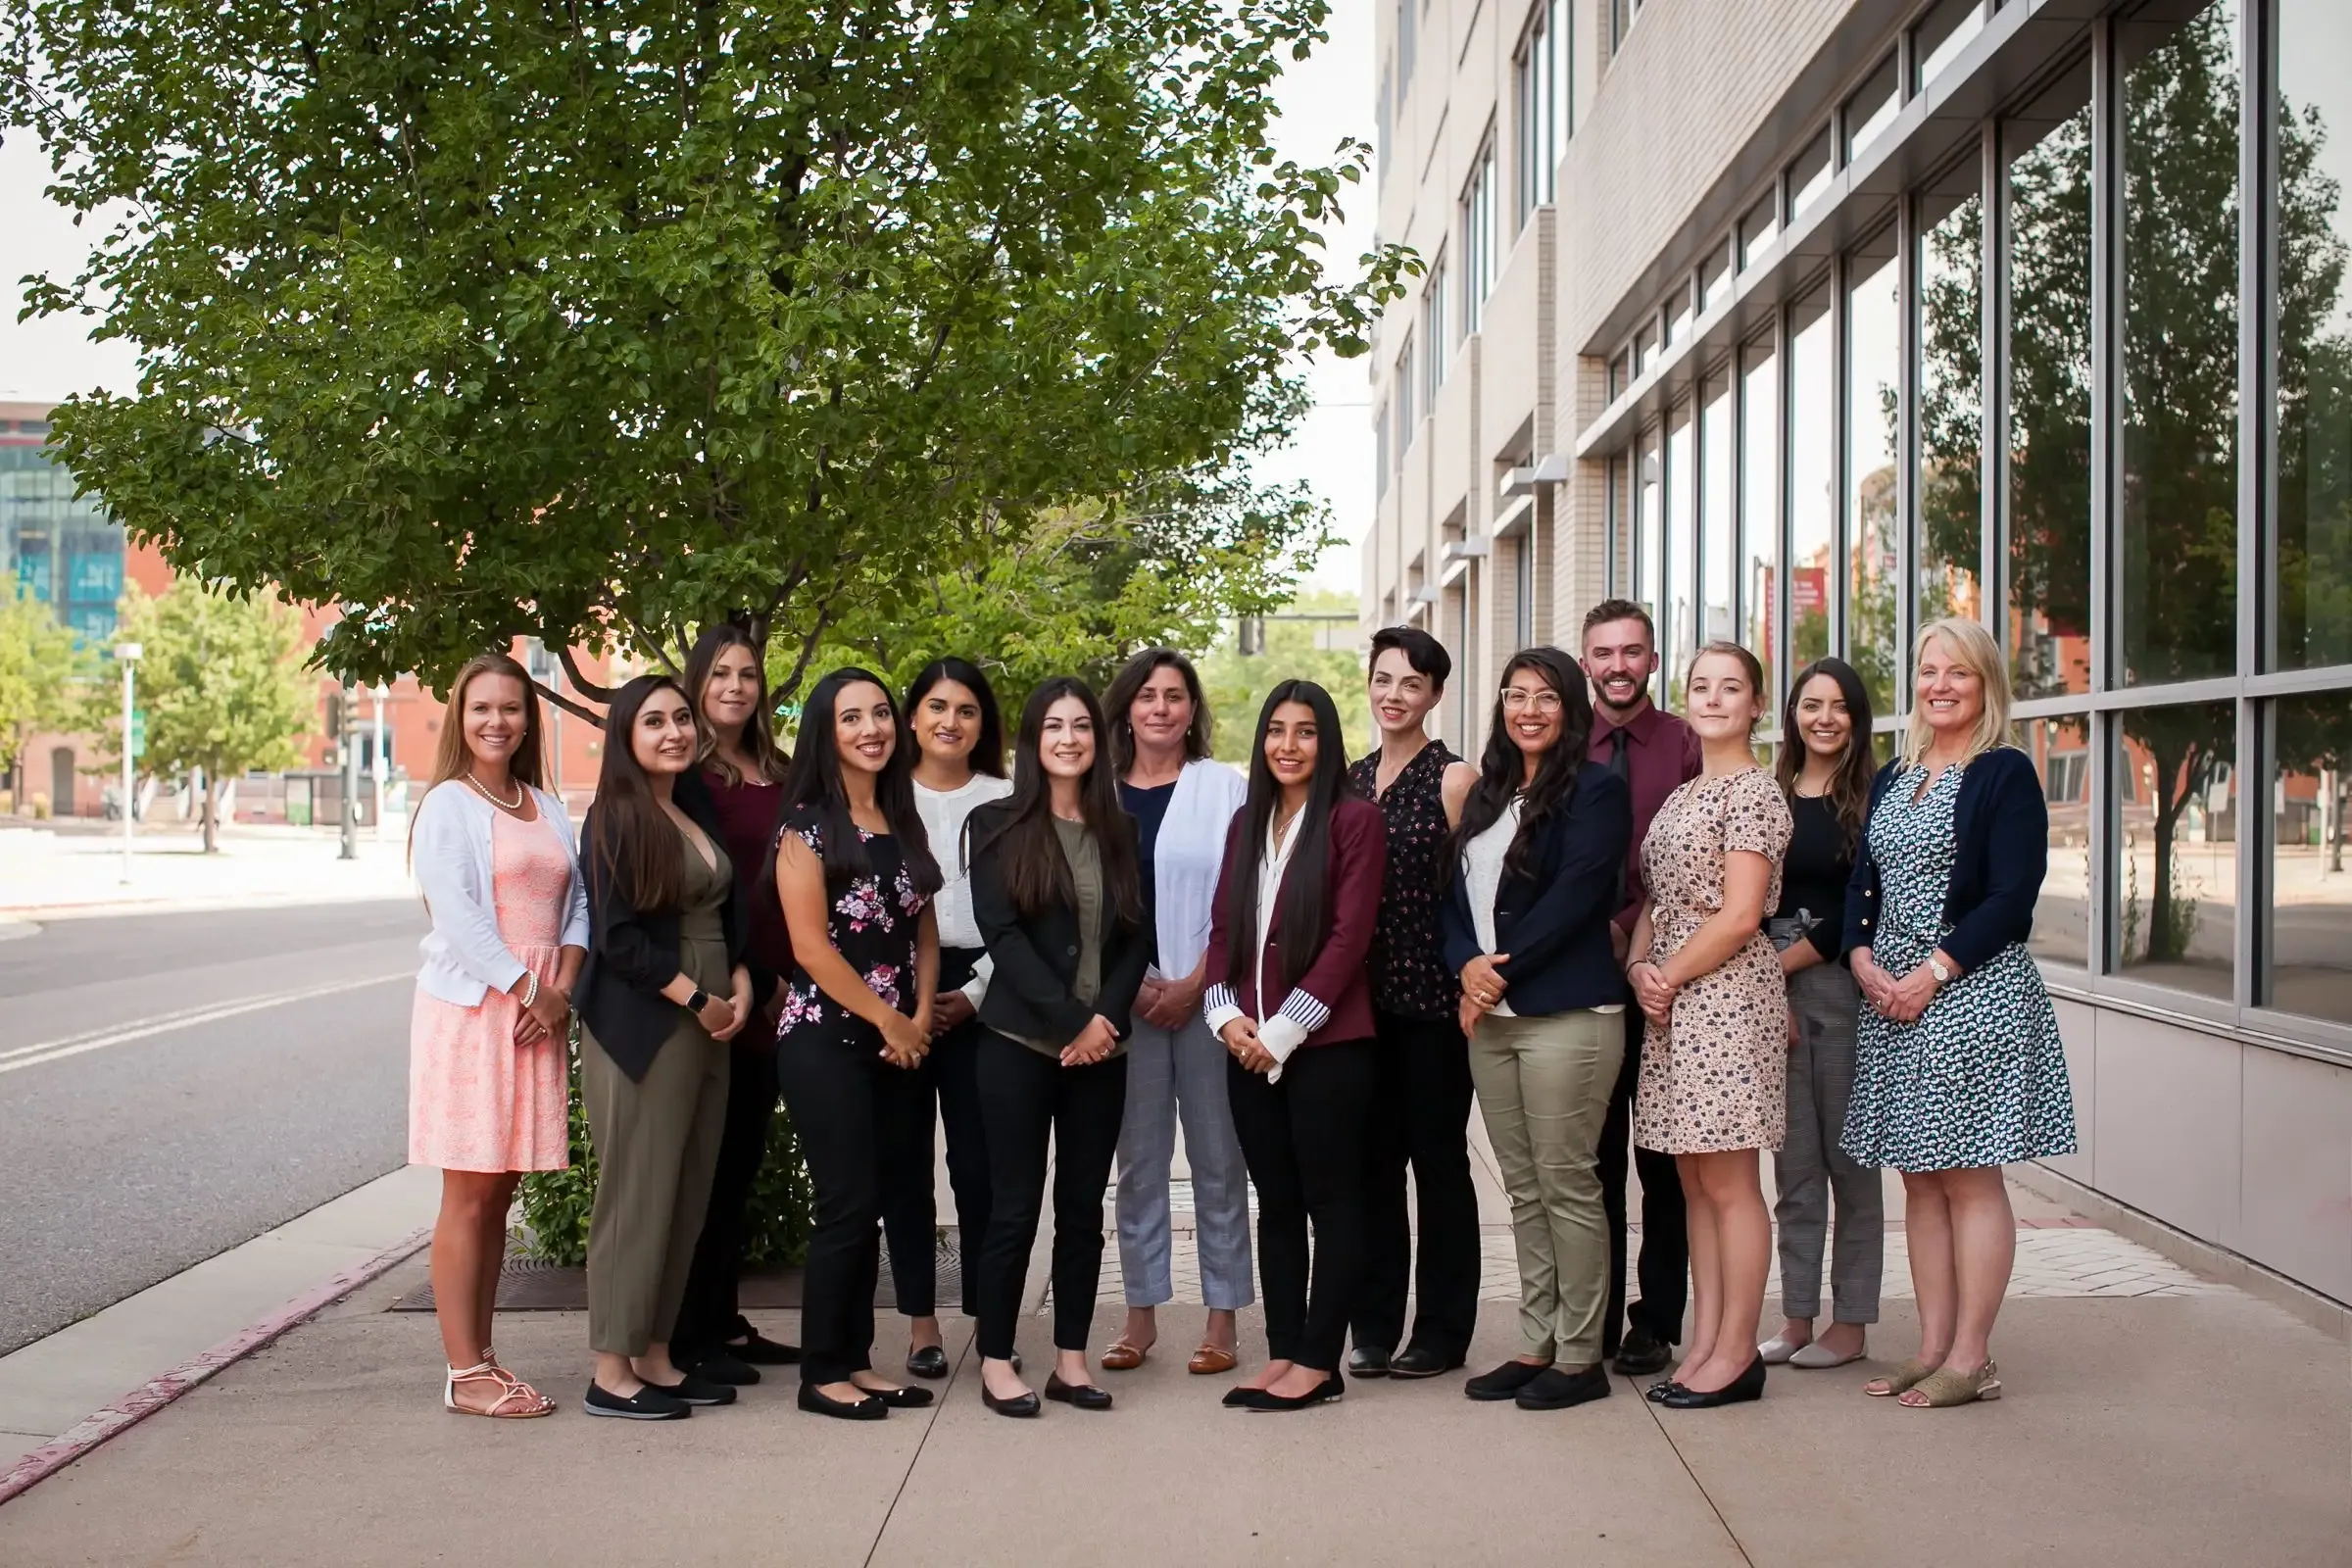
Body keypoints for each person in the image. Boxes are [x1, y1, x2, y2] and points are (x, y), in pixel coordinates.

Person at [1843, 617, 2076, 1409]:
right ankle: (1933, 1346)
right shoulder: (1895, 774)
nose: (1940, 685)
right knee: (1919, 1178)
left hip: (1969, 994)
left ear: (1986, 686)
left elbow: (2013, 898)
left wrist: (1931, 973)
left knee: (1971, 1177)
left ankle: (1973, 1356)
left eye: (1959, 674)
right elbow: (1861, 884)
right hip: (1891, 998)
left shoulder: (2004, 772)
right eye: (1929, 671)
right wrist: (1860, 955)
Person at [1444, 649, 1633, 1413]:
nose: (1528, 709)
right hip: (1494, 1020)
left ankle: (1583, 1354)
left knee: (1566, 1183)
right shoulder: (1486, 794)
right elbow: (1450, 900)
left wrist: (1495, 975)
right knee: (1523, 1189)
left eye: (1545, 697)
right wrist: (1465, 966)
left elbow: (1577, 897)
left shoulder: (1598, 790)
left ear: (1569, 708)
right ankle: (1538, 1340)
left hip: (1568, 1017)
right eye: (1515, 695)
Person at [574, 675, 760, 1420]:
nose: (674, 732)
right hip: (649, 1025)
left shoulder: (685, 808)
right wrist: (696, 997)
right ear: (626, 736)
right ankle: (610, 1369)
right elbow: (617, 940)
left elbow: (728, 910)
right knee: (637, 1194)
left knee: (687, 1191)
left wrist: (742, 979)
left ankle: (655, 1352)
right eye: (654, 722)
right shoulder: (615, 817)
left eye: (681, 718)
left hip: (713, 1014)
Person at [408, 652, 587, 1418]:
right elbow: (458, 916)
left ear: (528, 718)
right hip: (478, 1010)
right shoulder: (448, 805)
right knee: (469, 1192)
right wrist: (528, 989)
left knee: (501, 1190)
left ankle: (482, 1359)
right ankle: (464, 1370)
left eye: (510, 708)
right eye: (481, 708)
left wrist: (563, 991)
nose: (496, 721)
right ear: (460, 716)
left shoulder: (545, 804)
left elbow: (576, 905)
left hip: (540, 1008)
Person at [965, 678, 1151, 1417]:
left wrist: (1103, 1020)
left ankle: (1071, 1359)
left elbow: (1139, 934)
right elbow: (1000, 935)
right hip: (1018, 1044)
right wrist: (1072, 1022)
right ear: (1033, 742)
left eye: (1081, 726)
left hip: (1103, 1052)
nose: (1069, 738)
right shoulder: (996, 823)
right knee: (1014, 1209)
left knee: (1082, 1209)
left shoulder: (1122, 828)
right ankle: (997, 1357)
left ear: (1098, 742)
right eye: (1054, 727)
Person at [1206, 681, 1387, 1413]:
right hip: (1245, 1046)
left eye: (1305, 732)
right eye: (1276, 731)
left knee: (1331, 1202)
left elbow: (1350, 940)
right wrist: (1226, 1020)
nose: (1288, 745)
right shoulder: (1248, 820)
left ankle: (1319, 1360)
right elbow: (1222, 932)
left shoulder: (1354, 821)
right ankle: (1282, 1351)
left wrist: (1280, 1031)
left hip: (1327, 1047)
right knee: (1275, 1204)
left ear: (1327, 741)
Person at [771, 668, 945, 1420]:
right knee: (844, 1205)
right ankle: (821, 1373)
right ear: (826, 733)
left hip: (899, 1043)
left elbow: (923, 927)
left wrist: (923, 1012)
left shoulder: (901, 820)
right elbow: (811, 950)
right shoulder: (805, 828)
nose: (871, 728)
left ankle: (860, 1361)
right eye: (852, 718)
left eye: (880, 714)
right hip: (826, 1040)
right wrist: (888, 1019)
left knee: (878, 1201)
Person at [1626, 642, 1792, 1410]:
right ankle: (1705, 1342)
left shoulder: (1755, 793)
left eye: (1732, 688)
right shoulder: (1682, 794)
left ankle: (1737, 1352)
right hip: (1671, 1000)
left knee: (1729, 1183)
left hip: (1724, 999)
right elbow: (1656, 905)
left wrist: (1670, 975)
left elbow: (1741, 915)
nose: (1714, 698)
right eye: (1701, 686)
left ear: (1757, 704)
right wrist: (1641, 971)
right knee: (1692, 1183)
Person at [1102, 649, 1252, 1376]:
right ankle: (1140, 1314)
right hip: (1124, 1005)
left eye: (1175, 696)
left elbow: (1245, 895)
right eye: (1147, 696)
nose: (1160, 708)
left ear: (1193, 710)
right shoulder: (1096, 793)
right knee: (1138, 1164)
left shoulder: (1224, 788)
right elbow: (1082, 902)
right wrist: (1127, 984)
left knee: (1220, 1161)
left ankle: (1222, 1318)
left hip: (1208, 1002)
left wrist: (1199, 980)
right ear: (1126, 708)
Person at [1347, 626, 1480, 1381]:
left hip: (1434, 1003)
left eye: (1411, 684)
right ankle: (1372, 1324)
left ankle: (1440, 1331)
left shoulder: (1455, 779)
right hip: (1361, 1005)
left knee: (1437, 1164)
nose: (1394, 695)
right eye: (1384, 679)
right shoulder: (1351, 778)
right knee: (1373, 1168)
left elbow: (1478, 891)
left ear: (1434, 695)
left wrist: (1474, 982)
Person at [669, 624, 802, 1384]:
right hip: (726, 996)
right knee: (709, 1172)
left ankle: (723, 1318)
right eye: (719, 674)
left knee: (741, 1164)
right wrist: (750, 975)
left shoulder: (781, 770)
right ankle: (692, 1336)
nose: (734, 687)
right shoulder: (686, 773)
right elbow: (706, 891)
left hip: (789, 997)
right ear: (698, 682)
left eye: (747, 674)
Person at [1582, 599, 1702, 1377]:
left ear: (1652, 662)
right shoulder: (1563, 744)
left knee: (1663, 1162)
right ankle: (1589, 1321)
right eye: (1604, 653)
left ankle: (1655, 1320)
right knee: (1592, 1162)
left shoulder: (1689, 746)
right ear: (1587, 662)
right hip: (1586, 975)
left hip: (1672, 981)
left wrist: (1646, 943)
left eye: (1633, 652)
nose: (1619, 666)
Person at [1756, 657, 1884, 1371]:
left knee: (1850, 1169)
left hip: (1837, 988)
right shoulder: (1771, 792)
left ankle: (1853, 1323)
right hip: (1768, 990)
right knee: (1794, 1169)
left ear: (1857, 718)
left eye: (1839, 706)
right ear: (1793, 714)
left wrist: (1781, 968)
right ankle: (1798, 1316)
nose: (1825, 718)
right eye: (1811, 705)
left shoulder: (1873, 795)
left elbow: (1863, 903)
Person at [899, 659, 1014, 1379]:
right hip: (900, 992)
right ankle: (920, 1323)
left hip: (988, 985)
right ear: (912, 717)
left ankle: (989, 1315)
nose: (950, 721)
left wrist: (974, 994)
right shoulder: (882, 799)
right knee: (905, 1166)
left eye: (966, 709)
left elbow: (1030, 911)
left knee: (981, 1165)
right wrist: (911, 999)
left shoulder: (1009, 798)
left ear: (983, 724)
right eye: (936, 706)